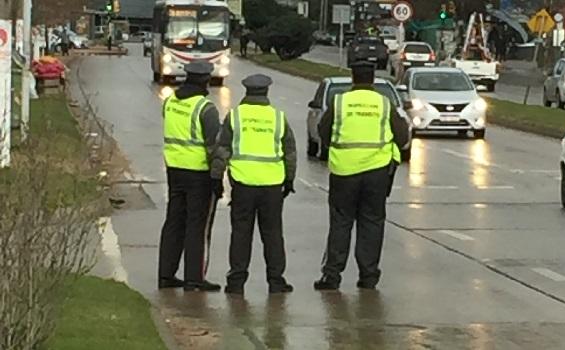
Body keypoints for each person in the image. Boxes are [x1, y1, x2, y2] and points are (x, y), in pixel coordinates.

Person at [313, 58, 409, 291]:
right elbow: (402, 135)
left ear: (353, 78)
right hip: (377, 173)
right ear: (373, 78)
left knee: (340, 223)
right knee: (372, 223)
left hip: (344, 172)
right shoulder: (384, 103)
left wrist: (334, 148)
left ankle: (332, 276)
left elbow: (322, 131)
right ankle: (368, 276)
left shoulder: (340, 102)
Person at [214, 74, 297, 295]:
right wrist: (289, 179)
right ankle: (276, 281)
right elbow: (290, 151)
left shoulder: (235, 117)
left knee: (241, 233)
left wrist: (216, 178)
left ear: (247, 92)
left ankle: (236, 281)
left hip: (243, 185)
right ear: (266, 92)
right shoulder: (278, 117)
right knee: (273, 234)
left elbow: (222, 150)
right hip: (272, 186)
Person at [158, 61, 224, 292]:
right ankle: (194, 278)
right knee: (198, 226)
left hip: (174, 171)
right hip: (199, 174)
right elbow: (214, 147)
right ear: (205, 80)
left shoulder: (170, 102)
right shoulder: (205, 108)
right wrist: (217, 179)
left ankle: (166, 274)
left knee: (174, 222)